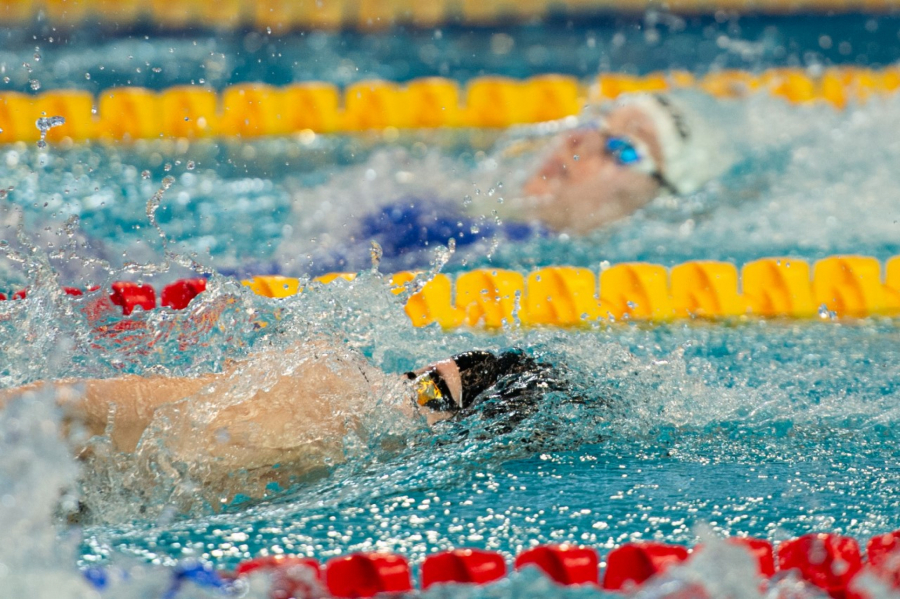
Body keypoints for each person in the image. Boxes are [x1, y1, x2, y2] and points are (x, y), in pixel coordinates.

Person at [0, 340, 567, 510]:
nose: (405, 388)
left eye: (431, 390)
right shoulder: (325, 392)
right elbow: (58, 411)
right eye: (416, 373)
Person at [283, 92, 723, 276]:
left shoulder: (514, 253)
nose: (576, 140)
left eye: (623, 149)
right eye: (593, 123)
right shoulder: (486, 230)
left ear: (660, 202)